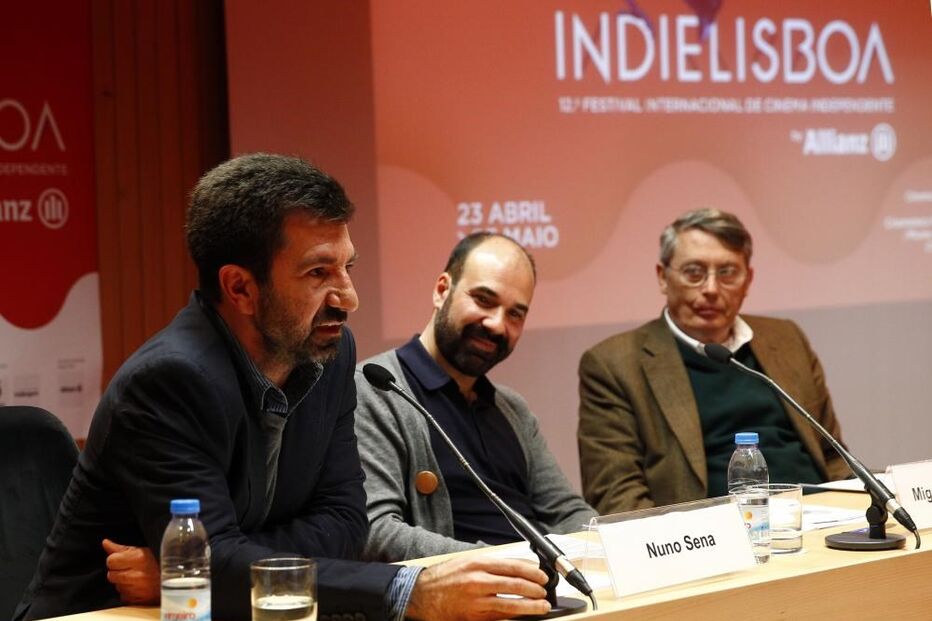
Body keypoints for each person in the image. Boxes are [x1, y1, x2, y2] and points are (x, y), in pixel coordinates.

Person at [15, 154, 552, 621]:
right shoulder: (169, 382)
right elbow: (218, 562)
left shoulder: (330, 353)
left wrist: (214, 567)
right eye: (319, 273)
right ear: (241, 288)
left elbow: (344, 524)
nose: (348, 297)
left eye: (348, 268)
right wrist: (409, 589)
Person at [577, 208, 849, 515]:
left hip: (815, 521)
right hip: (708, 538)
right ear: (663, 277)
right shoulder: (614, 364)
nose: (710, 289)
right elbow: (617, 493)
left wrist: (854, 510)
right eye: (694, 272)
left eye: (727, 273)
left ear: (748, 280)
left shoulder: (786, 339)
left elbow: (833, 454)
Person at [356, 233, 596, 561]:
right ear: (442, 290)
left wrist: (610, 548)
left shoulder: (512, 408)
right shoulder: (375, 388)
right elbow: (376, 532)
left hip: (547, 591)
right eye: (484, 300)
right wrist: (509, 565)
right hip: (464, 599)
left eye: (515, 314)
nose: (497, 324)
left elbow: (567, 513)